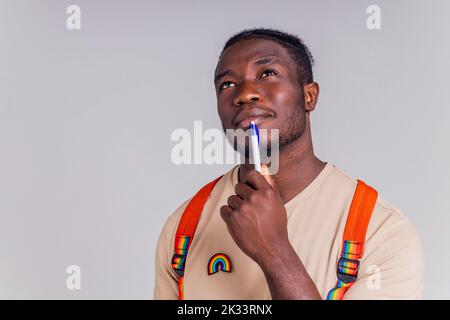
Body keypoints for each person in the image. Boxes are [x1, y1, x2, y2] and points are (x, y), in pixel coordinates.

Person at [154, 28, 424, 299]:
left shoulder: (381, 234)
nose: (245, 94)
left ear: (309, 96)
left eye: (267, 74)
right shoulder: (183, 227)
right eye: (227, 85)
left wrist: (274, 250)